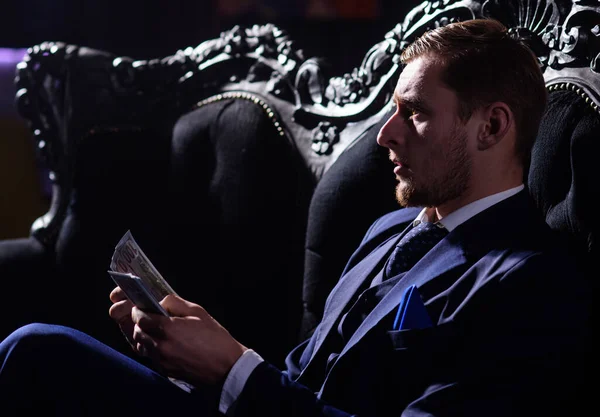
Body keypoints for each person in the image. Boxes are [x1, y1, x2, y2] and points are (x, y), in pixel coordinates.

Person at [0, 18, 591, 416]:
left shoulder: (532, 283)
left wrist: (234, 370)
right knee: (36, 352)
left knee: (35, 351)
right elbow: (302, 378)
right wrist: (196, 355)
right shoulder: (390, 229)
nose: (384, 136)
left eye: (413, 115)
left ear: (491, 126)